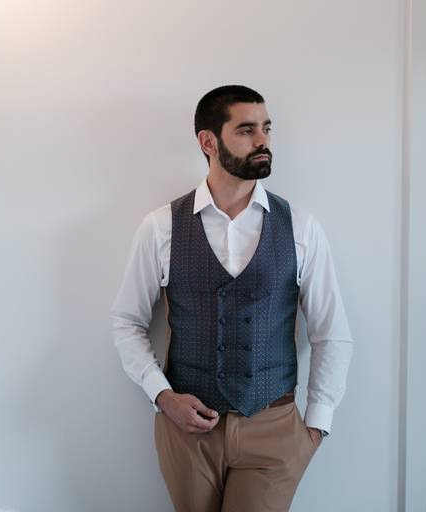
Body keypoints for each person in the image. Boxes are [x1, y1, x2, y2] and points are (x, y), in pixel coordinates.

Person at [110, 85, 354, 512]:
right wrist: (163, 396)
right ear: (208, 141)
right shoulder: (161, 227)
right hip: (187, 431)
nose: (263, 140)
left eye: (266, 128)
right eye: (246, 130)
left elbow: (331, 332)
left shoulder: (301, 228)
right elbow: (127, 321)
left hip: (274, 428)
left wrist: (317, 425)